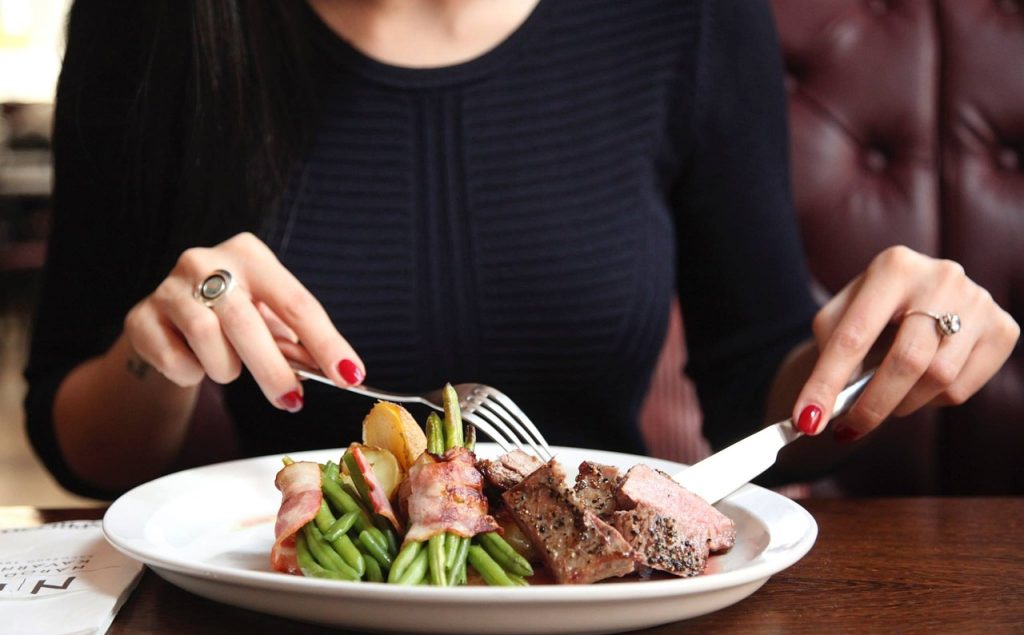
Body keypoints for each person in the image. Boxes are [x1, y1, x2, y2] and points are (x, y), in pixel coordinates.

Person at [24, 0, 1019, 499]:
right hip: (275, 616)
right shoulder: (149, 20)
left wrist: (879, 353)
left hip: (607, 612)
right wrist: (162, 353)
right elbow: (79, 450)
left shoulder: (687, 15)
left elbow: (753, 383)